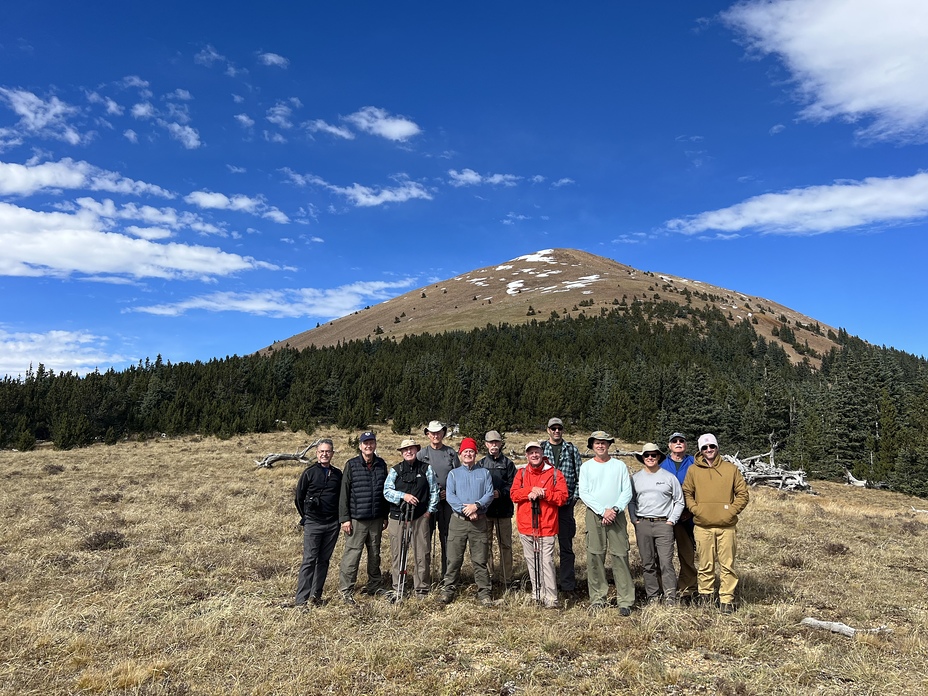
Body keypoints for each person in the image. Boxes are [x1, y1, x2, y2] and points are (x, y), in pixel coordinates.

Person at [682, 433, 750, 614]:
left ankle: (726, 600)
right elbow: (687, 492)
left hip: (727, 527)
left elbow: (743, 494)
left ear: (717, 447)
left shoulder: (731, 469)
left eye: (711, 446)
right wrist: (696, 510)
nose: (708, 450)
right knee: (705, 564)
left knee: (727, 565)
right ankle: (706, 596)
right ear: (700, 450)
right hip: (702, 526)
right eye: (704, 448)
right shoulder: (693, 471)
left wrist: (731, 511)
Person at [578, 431, 635, 614]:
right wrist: (603, 511)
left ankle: (625, 600)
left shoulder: (619, 466)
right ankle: (597, 598)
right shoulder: (586, 468)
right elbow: (584, 493)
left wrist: (615, 509)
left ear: (609, 445)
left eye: (604, 443)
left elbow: (627, 491)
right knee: (595, 556)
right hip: (595, 515)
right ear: (592, 446)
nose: (601, 446)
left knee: (620, 556)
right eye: (597, 443)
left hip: (616, 515)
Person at [510, 441, 569, 609]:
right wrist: (529, 491)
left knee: (546, 562)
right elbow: (514, 495)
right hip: (526, 525)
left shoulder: (555, 474)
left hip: (547, 526)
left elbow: (562, 497)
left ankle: (551, 598)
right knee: (531, 561)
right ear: (527, 455)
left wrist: (544, 493)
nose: (534, 455)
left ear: (542, 453)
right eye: (530, 453)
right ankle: (537, 594)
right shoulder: (521, 473)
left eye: (537, 452)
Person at [440, 437, 496, 606]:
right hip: (458, 522)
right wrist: (466, 510)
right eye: (465, 452)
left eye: (471, 451)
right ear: (460, 454)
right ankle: (448, 590)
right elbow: (450, 496)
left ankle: (484, 592)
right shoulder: (453, 474)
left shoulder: (484, 473)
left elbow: (489, 494)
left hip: (479, 522)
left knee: (480, 559)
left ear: (475, 454)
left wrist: (476, 507)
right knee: (454, 559)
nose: (468, 454)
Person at [629, 443, 684, 605]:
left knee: (666, 562)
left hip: (663, 525)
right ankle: (652, 597)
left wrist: (671, 520)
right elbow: (631, 501)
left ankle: (670, 598)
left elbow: (679, 501)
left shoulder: (668, 477)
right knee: (647, 563)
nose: (650, 458)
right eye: (647, 455)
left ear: (659, 457)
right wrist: (634, 520)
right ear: (643, 458)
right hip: (643, 524)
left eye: (654, 455)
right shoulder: (636, 478)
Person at [384, 438, 439, 600]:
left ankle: (421, 589)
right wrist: (404, 496)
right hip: (398, 518)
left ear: (416, 450)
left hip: (420, 518)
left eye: (412, 449)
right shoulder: (395, 470)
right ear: (401, 452)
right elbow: (387, 491)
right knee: (397, 554)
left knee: (422, 554)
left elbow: (434, 491)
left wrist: (429, 512)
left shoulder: (426, 469)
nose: (409, 451)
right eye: (405, 449)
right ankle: (398, 588)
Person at [337, 431, 389, 603]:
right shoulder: (351, 465)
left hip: (376, 518)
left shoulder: (381, 464)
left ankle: (374, 585)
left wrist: (384, 515)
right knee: (352, 555)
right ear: (360, 446)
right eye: (365, 443)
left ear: (375, 445)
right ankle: (346, 590)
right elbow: (344, 493)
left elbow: (385, 492)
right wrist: (345, 518)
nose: (368, 446)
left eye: (371, 443)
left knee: (375, 554)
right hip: (357, 519)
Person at [291, 439, 342, 607]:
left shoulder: (337, 474)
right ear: (316, 453)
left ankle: (316, 595)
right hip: (313, 522)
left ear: (332, 454)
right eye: (321, 451)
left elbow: (342, 498)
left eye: (328, 451)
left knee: (324, 560)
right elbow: (299, 497)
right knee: (309, 560)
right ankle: (301, 600)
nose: (324, 454)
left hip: (332, 524)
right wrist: (307, 516)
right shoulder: (309, 473)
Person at [540, 417, 582, 593]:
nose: (556, 431)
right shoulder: (540, 449)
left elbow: (580, 478)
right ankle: (545, 583)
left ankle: (567, 584)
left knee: (566, 546)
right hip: (546, 505)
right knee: (544, 547)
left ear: (562, 430)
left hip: (565, 505)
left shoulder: (571, 450)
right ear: (548, 430)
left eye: (559, 428)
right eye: (553, 428)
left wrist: (573, 498)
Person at [417, 420, 460, 577]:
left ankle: (447, 576)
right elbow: (418, 480)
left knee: (447, 539)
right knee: (425, 539)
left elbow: (458, 477)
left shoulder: (451, 453)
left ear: (443, 434)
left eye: (438, 432)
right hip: (427, 504)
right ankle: (424, 576)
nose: (436, 435)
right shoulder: (421, 455)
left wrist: (448, 492)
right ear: (428, 434)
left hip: (447, 503)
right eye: (432, 433)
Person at [661, 432, 697, 602]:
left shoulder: (694, 463)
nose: (678, 443)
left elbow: (701, 489)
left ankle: (687, 590)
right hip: (665, 517)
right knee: (662, 555)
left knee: (687, 555)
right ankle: (664, 588)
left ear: (686, 445)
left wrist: (691, 510)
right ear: (669, 446)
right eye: (674, 441)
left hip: (686, 518)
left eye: (681, 441)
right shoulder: (661, 463)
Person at [478, 430, 517, 588]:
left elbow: (513, 485)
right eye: (491, 442)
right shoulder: (480, 464)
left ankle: (506, 577)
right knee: (485, 544)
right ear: (486, 444)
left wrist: (500, 493)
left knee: (505, 545)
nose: (494, 445)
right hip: (485, 512)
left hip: (503, 511)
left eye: (496, 442)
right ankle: (488, 576)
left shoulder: (508, 464)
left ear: (501, 444)